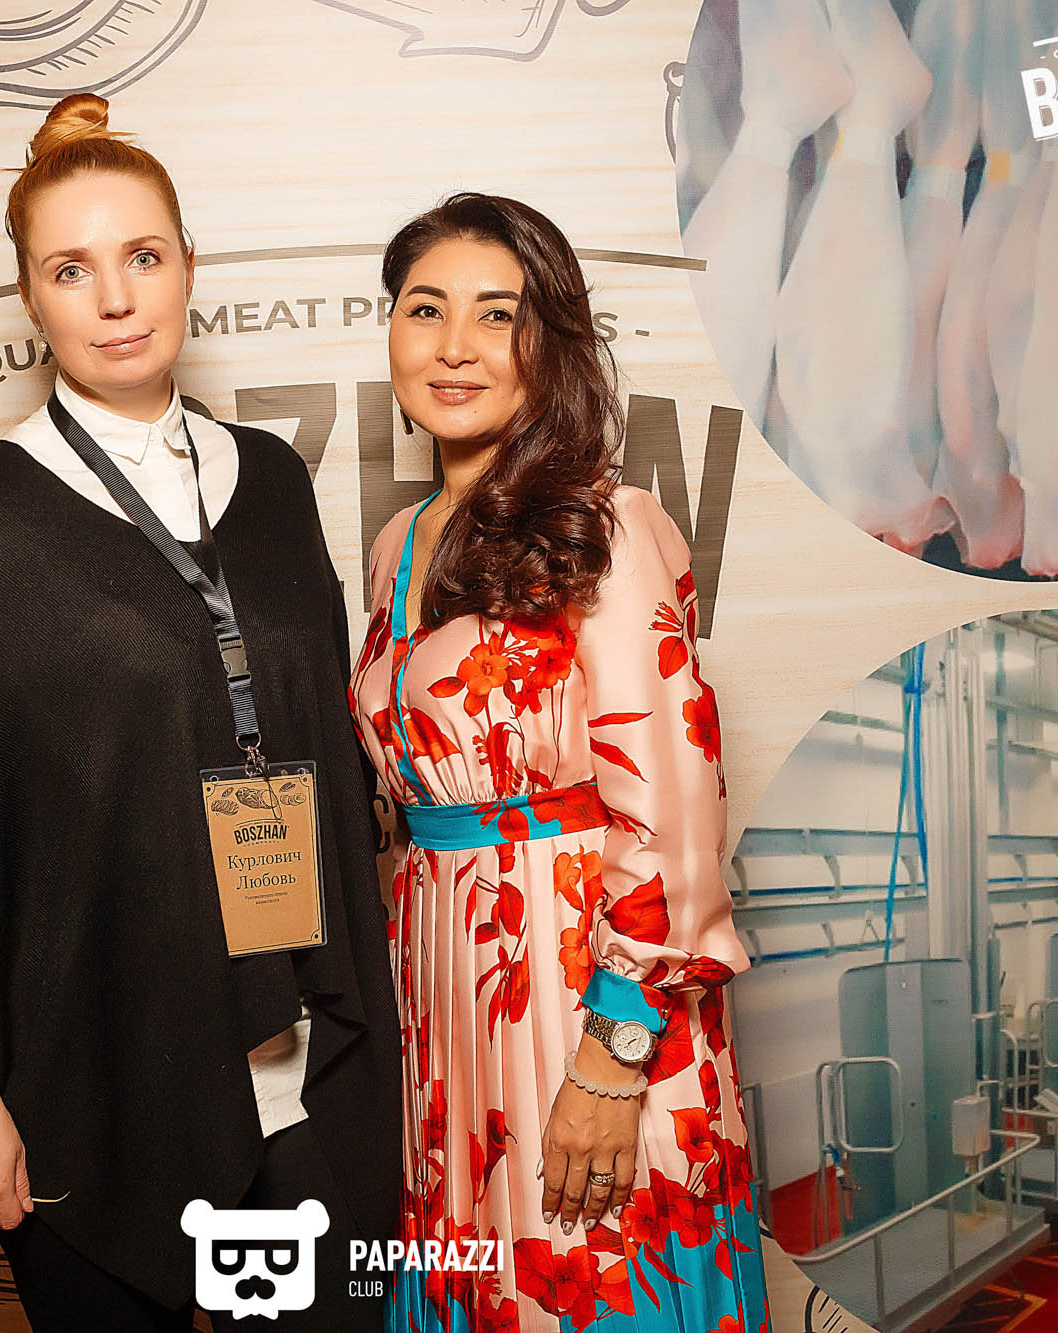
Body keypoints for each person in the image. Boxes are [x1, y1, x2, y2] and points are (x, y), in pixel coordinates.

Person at [0, 93, 400, 1333]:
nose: (114, 299)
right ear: (29, 298)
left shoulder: (271, 483)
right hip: (95, 1094)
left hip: (302, 1066)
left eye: (141, 256)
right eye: (70, 270)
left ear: (187, 265)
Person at [349, 194, 771, 1332]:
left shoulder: (605, 524)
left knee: (587, 1278)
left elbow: (673, 814)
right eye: (425, 309)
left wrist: (614, 1056)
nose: (455, 346)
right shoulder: (395, 545)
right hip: (443, 1001)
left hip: (582, 1000)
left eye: (498, 315)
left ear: (553, 343)